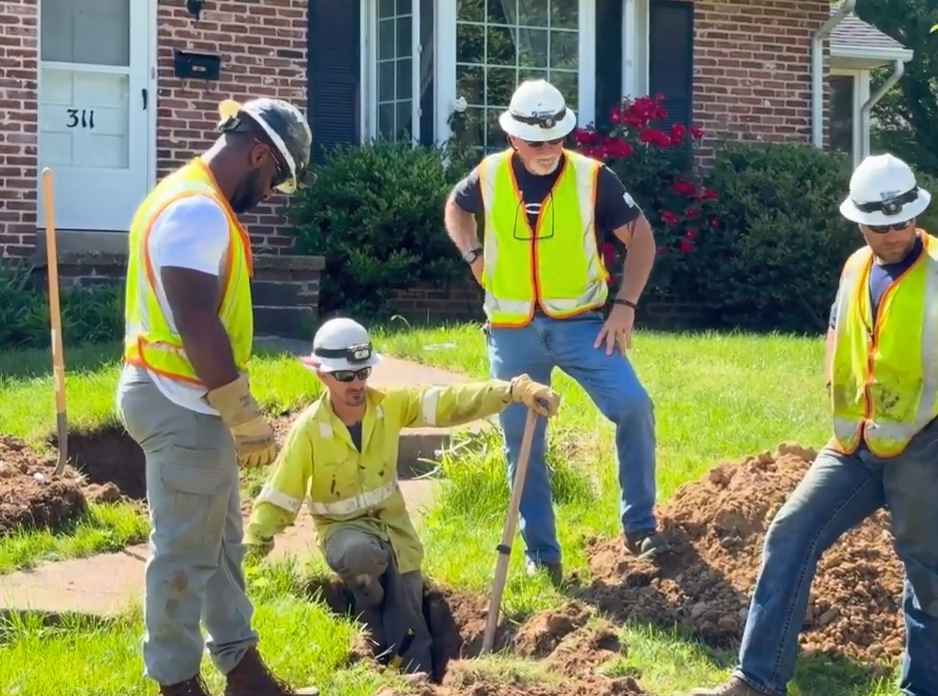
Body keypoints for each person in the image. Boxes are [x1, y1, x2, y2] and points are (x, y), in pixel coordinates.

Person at [690, 153, 938, 696]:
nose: (893, 233)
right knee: (790, 534)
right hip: (854, 443)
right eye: (880, 224)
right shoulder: (856, 265)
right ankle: (757, 681)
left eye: (901, 221)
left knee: (924, 567)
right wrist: (836, 377)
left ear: (914, 214)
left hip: (928, 442)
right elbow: (840, 325)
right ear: (861, 221)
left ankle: (924, 690)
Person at [115, 97, 320, 696]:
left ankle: (244, 671)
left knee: (220, 542)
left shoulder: (182, 195)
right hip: (184, 401)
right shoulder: (198, 212)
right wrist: (239, 409)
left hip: (185, 395)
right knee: (184, 551)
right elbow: (196, 321)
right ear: (258, 154)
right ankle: (176, 684)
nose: (269, 189)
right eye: (274, 177)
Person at [441, 78, 669, 585]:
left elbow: (643, 239)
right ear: (513, 137)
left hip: (585, 325)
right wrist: (473, 255)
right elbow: (456, 209)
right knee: (522, 441)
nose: (547, 149)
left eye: (555, 138)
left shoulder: (595, 178)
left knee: (633, 405)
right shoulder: (489, 174)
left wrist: (626, 305)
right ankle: (541, 554)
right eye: (535, 140)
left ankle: (640, 525)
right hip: (511, 330)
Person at [243, 316, 561, 678]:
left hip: (396, 535)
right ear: (323, 375)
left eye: (362, 372)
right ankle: (367, 614)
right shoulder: (310, 430)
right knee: (363, 560)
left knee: (411, 624)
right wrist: (252, 548)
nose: (357, 383)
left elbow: (449, 402)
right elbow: (281, 494)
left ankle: (414, 676)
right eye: (346, 376)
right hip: (344, 534)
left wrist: (513, 391)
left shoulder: (388, 406)